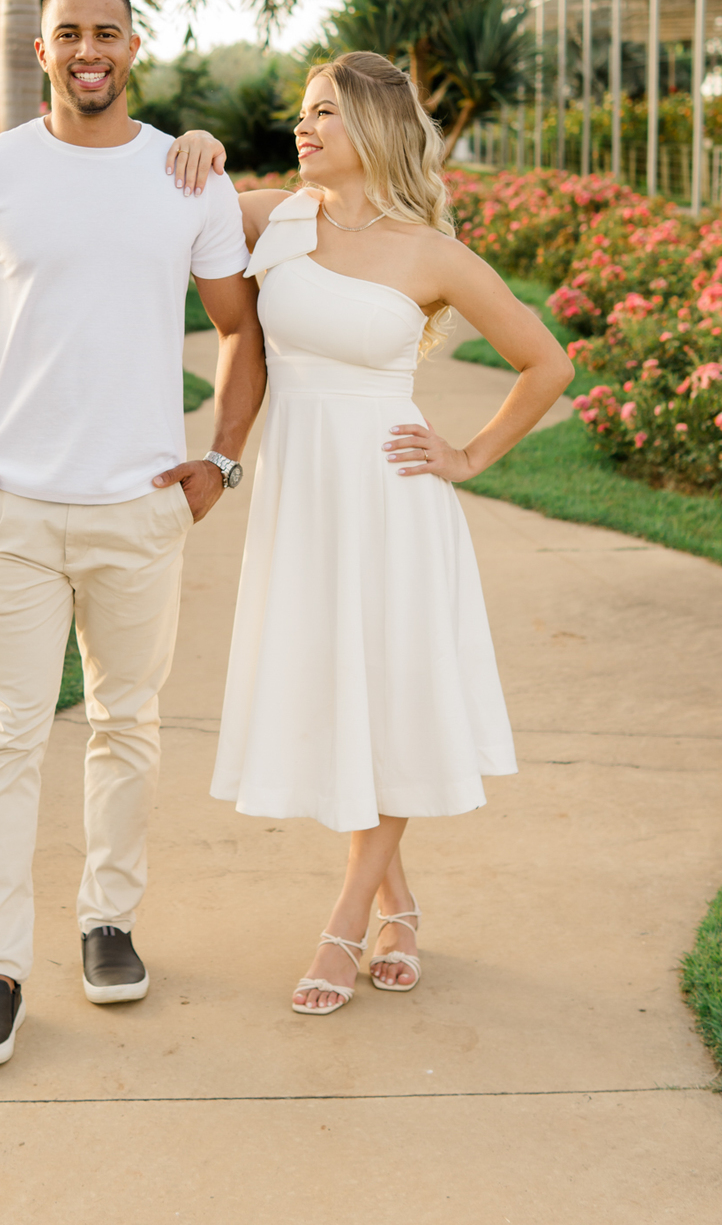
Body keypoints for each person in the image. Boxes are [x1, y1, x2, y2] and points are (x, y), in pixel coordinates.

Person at [0, 0, 264, 1066]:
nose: (89, 51)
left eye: (107, 33)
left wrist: (220, 466)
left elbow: (243, 330)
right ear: (43, 48)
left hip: (140, 510)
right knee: (6, 737)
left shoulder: (181, 175)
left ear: (131, 44)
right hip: (14, 510)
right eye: (71, 34)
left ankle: (109, 923)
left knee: (127, 726)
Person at [210, 51, 573, 1014]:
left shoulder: (431, 254)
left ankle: (343, 926)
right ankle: (398, 905)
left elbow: (547, 363)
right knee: (337, 692)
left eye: (324, 111)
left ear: (371, 126)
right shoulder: (274, 218)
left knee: (393, 697)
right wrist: (200, 149)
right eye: (302, 111)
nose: (305, 125)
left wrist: (469, 456)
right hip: (303, 500)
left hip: (392, 498)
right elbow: (181, 201)